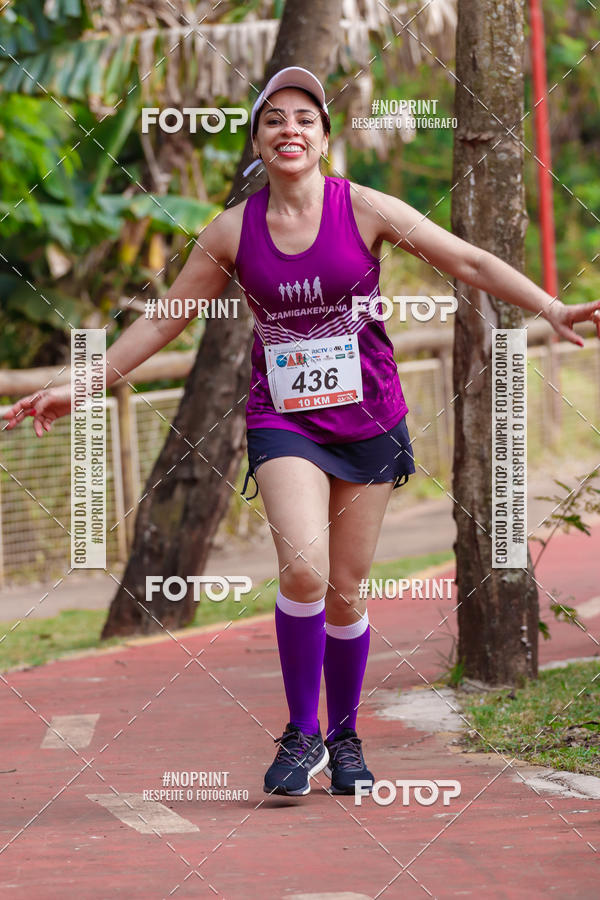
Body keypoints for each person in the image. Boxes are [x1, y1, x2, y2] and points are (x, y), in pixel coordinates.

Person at [4, 66, 600, 799]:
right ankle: (301, 732)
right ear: (257, 141)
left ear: (323, 138)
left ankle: (345, 736)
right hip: (282, 420)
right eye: (274, 119)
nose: (290, 129)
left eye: (305, 118)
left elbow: (467, 259)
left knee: (346, 591)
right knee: (304, 571)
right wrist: (81, 385)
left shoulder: (366, 207)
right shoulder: (232, 230)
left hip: (371, 419)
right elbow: (162, 321)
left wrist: (551, 307)